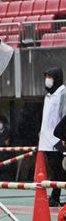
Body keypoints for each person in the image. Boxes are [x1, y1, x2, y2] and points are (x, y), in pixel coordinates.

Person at [39, 67, 66, 206]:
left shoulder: (63, 93)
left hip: (58, 139)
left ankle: (55, 196)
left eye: (50, 77)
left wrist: (64, 136)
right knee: (55, 170)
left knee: (60, 169)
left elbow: (64, 115)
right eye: (46, 76)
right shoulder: (49, 96)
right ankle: (55, 197)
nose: (47, 80)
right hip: (47, 140)